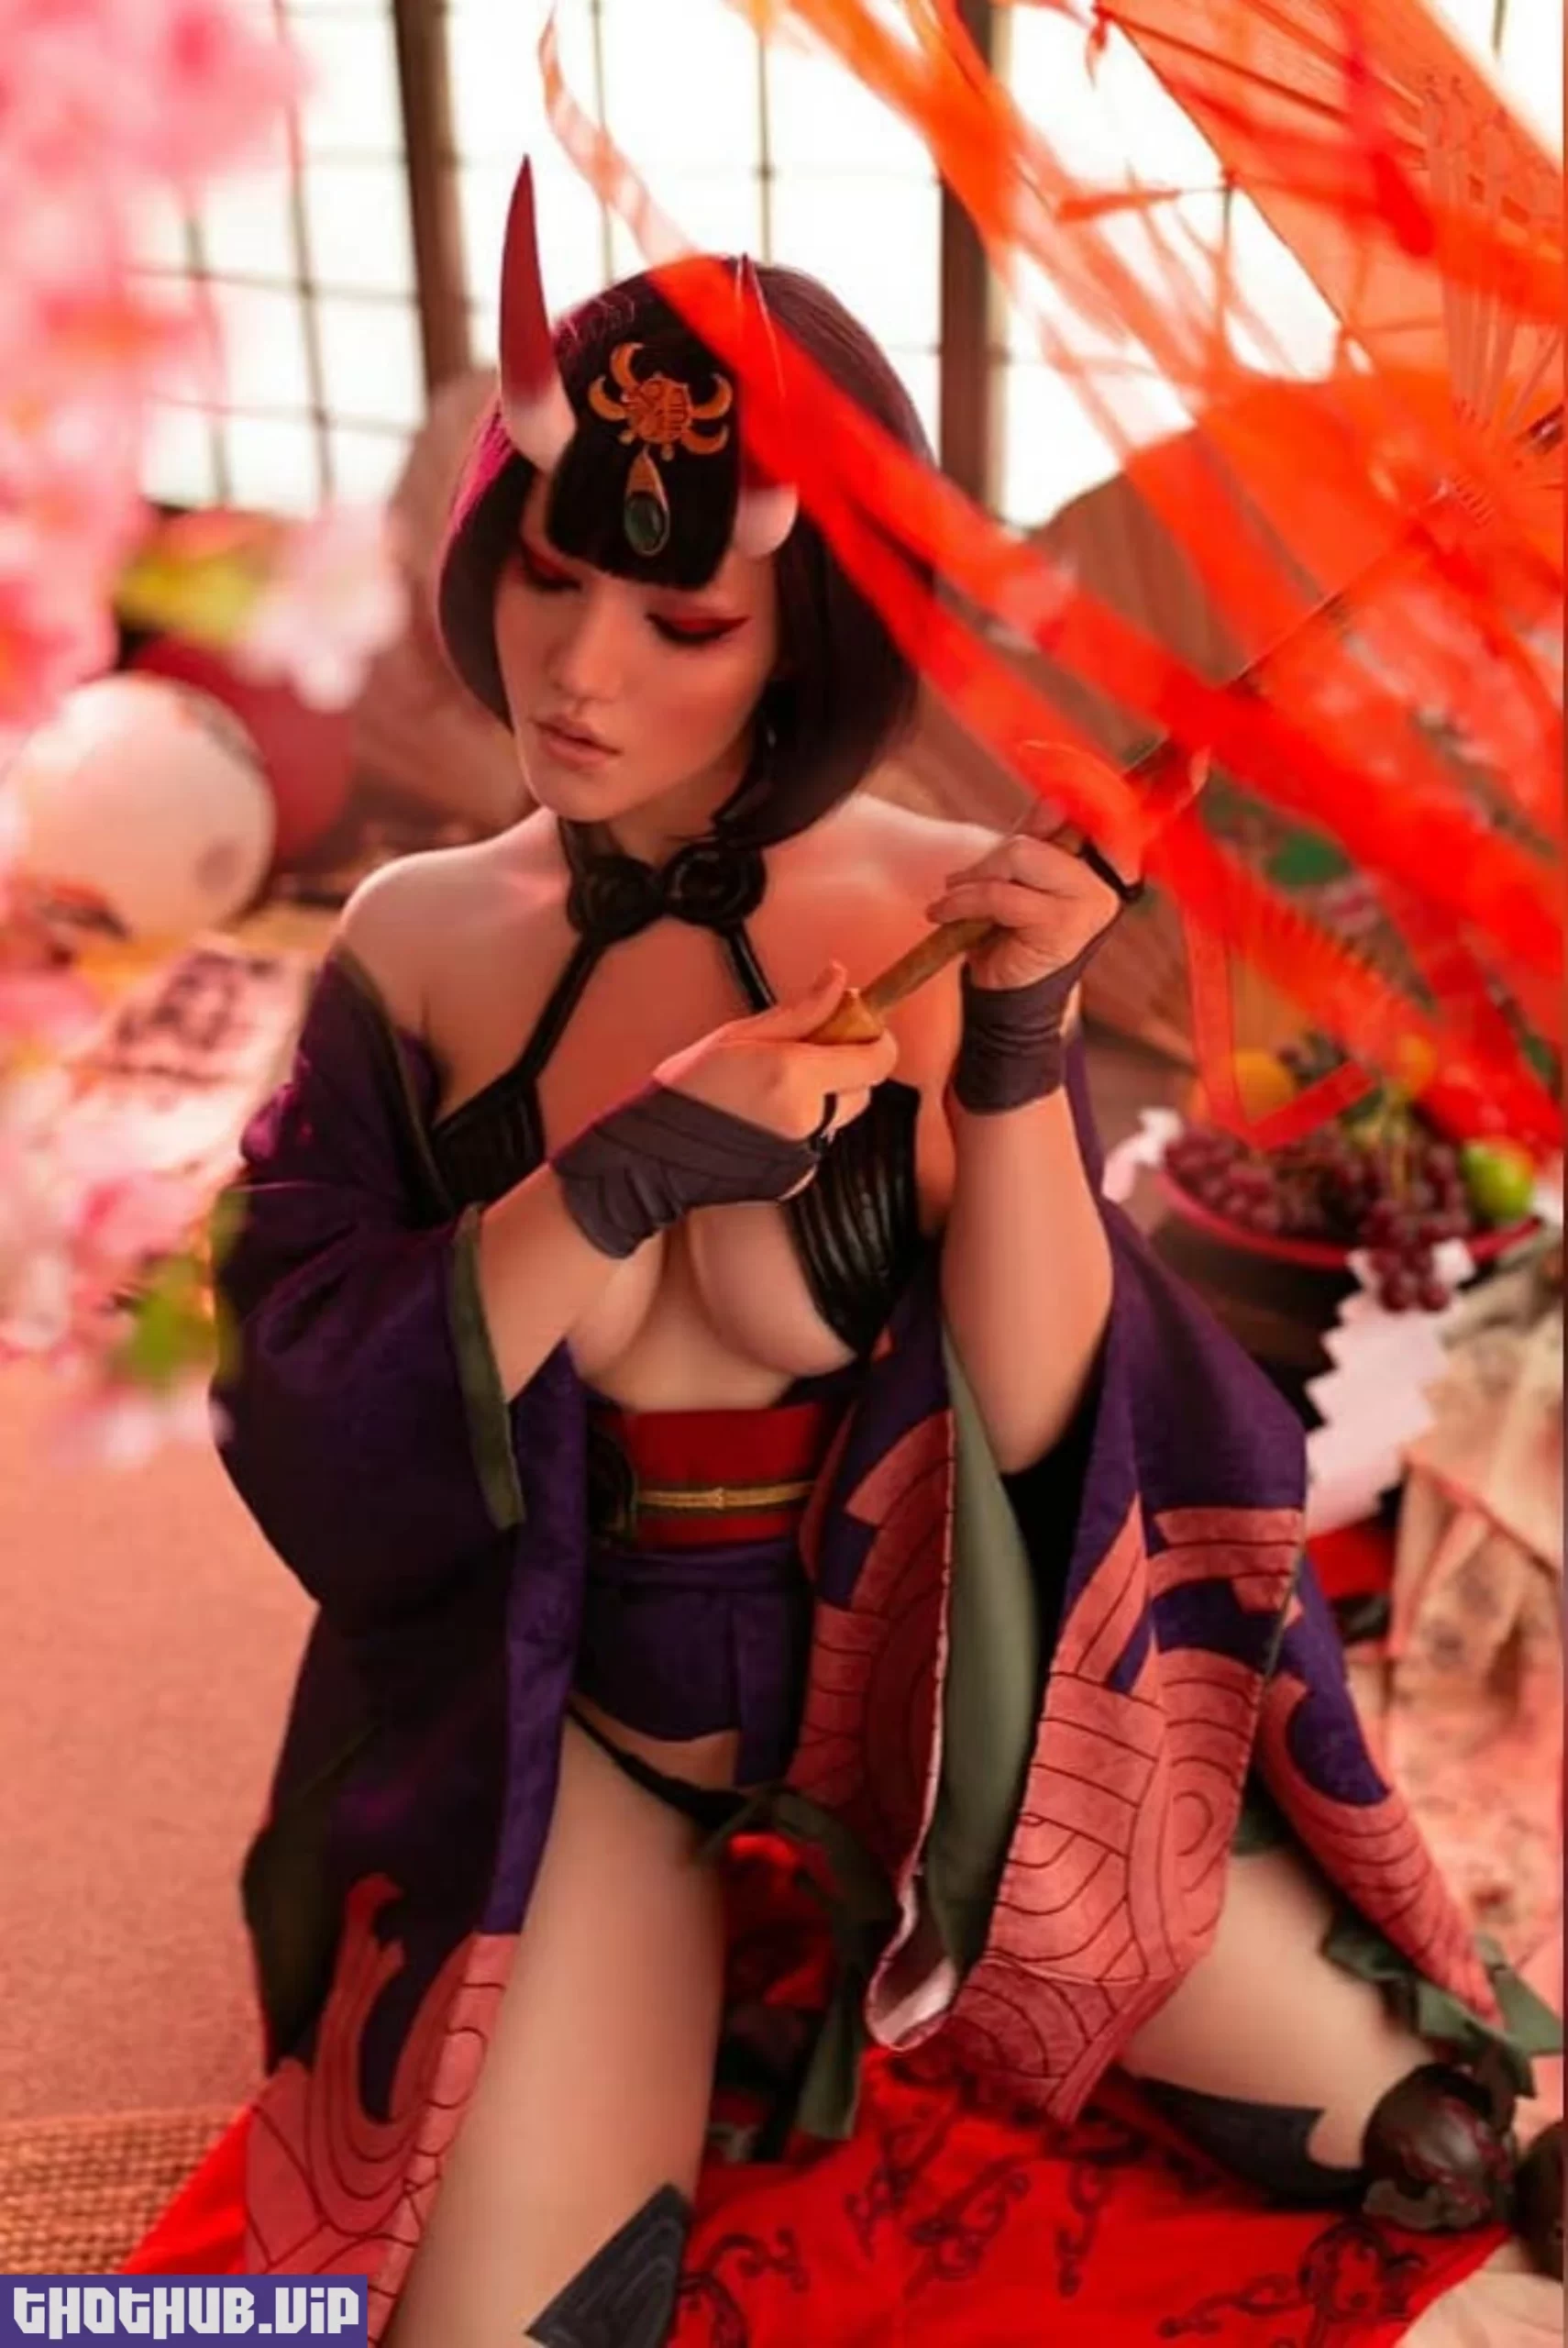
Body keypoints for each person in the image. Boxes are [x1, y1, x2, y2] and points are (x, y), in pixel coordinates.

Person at [128, 162, 1559, 2345]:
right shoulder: (416, 942)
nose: (578, 671)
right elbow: (303, 1384)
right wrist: (601, 1186)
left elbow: (1064, 1417)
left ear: (806, 630)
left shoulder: (938, 908)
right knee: (479, 2324)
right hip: (579, 1707)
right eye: (546, 577)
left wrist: (1017, 1052)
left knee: (1430, 2135)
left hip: (935, 1687)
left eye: (682, 622)